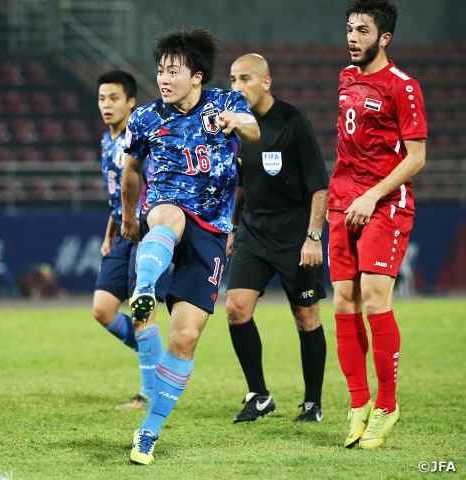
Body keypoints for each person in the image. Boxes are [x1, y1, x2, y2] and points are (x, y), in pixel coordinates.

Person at [121, 28, 260, 465]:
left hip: (212, 233)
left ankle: (149, 431)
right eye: (161, 70)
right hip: (164, 215)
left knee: (184, 336)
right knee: (170, 214)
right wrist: (128, 216)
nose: (164, 79)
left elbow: (253, 129)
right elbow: (130, 169)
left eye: (174, 71)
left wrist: (237, 122)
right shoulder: (145, 117)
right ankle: (145, 289)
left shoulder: (223, 103)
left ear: (196, 76)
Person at [329, 0, 427, 450]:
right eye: (349, 28)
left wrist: (371, 194)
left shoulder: (403, 87)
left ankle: (387, 405)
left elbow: (418, 156)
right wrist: (346, 196)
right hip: (342, 202)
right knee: (343, 300)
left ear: (384, 38)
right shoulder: (346, 78)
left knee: (372, 297)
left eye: (362, 30)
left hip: (385, 202)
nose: (352, 37)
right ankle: (359, 403)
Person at [226, 54, 329, 424]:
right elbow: (240, 185)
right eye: (233, 79)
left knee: (305, 316)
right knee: (236, 309)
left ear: (266, 82)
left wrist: (313, 237)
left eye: (246, 78)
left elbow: (319, 186)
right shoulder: (236, 126)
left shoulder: (293, 121)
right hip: (252, 231)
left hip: (293, 234)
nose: (237, 87)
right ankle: (260, 395)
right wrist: (232, 228)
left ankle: (312, 403)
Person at [93, 70, 169, 411]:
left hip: (144, 231)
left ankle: (149, 393)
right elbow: (118, 194)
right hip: (121, 232)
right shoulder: (107, 140)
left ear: (131, 102)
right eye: (102, 99)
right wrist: (109, 235)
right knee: (103, 309)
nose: (106, 105)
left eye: (114, 99)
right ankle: (156, 357)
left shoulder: (140, 139)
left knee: (142, 313)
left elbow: (142, 186)